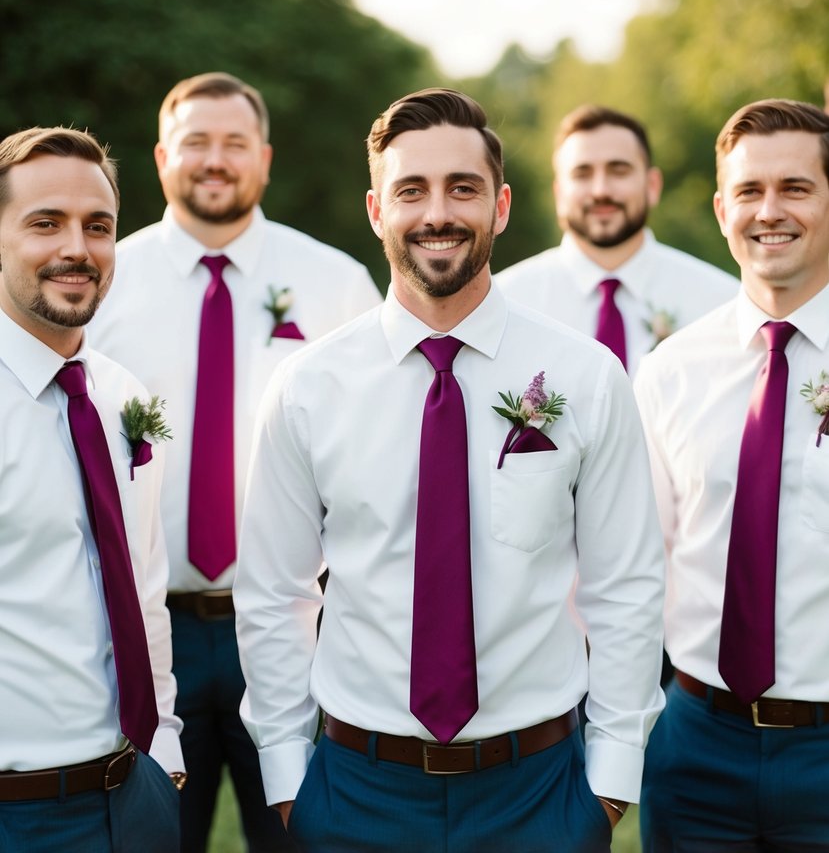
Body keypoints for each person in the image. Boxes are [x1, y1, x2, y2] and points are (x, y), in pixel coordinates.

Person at [234, 88, 665, 853]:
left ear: (499, 206)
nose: (438, 212)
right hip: (356, 791)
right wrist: (288, 780)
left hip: (538, 791)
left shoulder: (588, 377)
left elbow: (624, 586)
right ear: (376, 210)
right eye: (411, 190)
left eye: (461, 188)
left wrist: (608, 781)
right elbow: (274, 594)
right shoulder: (307, 387)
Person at [91, 72, 381, 853]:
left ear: (265, 157)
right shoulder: (101, 283)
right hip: (147, 629)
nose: (214, 161)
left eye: (234, 144)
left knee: (304, 836)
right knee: (152, 836)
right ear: (161, 158)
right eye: (195, 143)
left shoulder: (338, 284)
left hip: (298, 625)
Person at [635, 98, 829, 851]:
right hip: (695, 747)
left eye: (795, 188)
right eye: (748, 191)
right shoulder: (669, 372)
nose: (768, 211)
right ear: (720, 210)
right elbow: (634, 566)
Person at [0, 127, 183, 853]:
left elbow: (143, 588)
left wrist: (163, 754)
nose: (77, 248)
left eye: (97, 226)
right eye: (45, 223)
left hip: (133, 797)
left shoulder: (120, 395)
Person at [498, 104, 738, 376]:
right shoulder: (504, 303)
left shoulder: (722, 301)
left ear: (652, 186)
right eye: (582, 174)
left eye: (618, 170)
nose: (601, 190)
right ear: (559, 192)